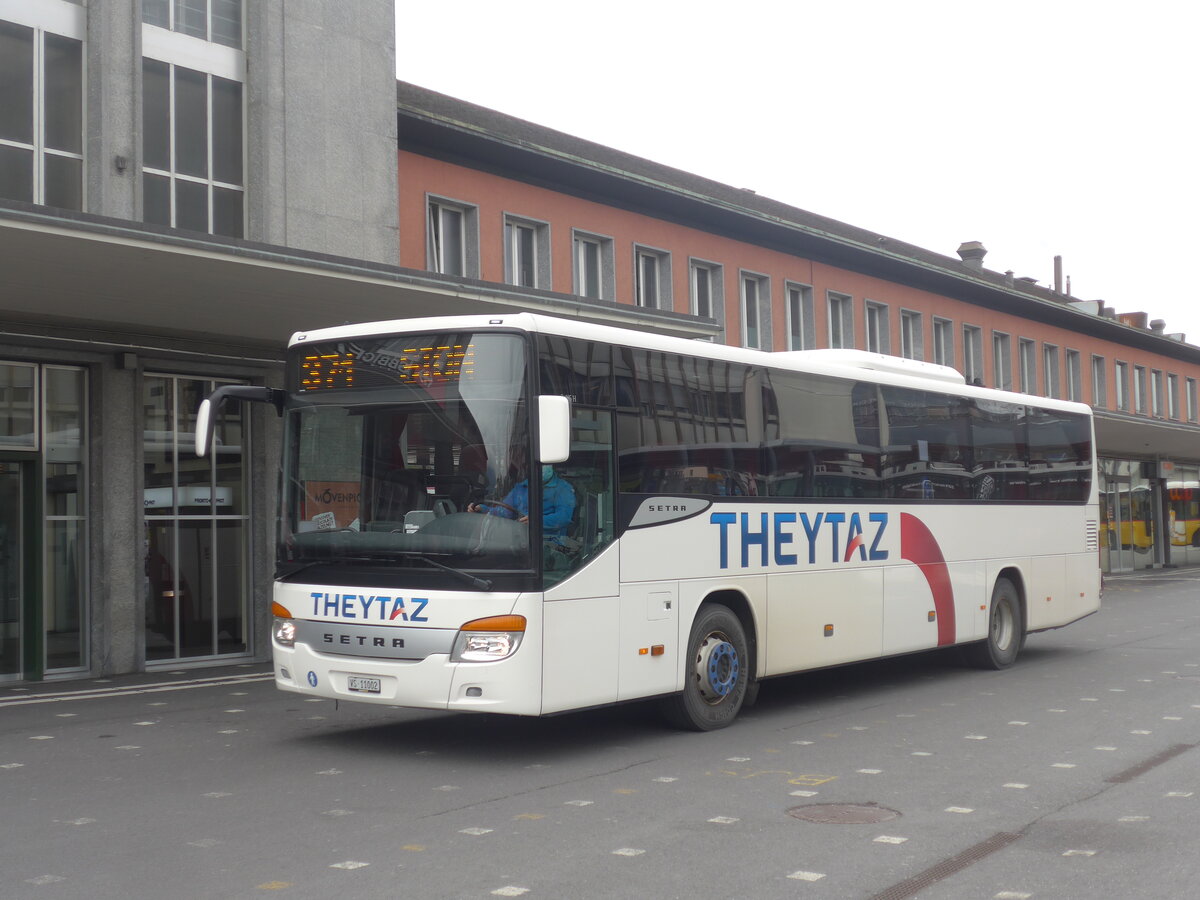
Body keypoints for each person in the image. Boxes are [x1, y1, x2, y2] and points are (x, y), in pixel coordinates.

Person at [469, 464, 576, 539]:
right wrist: (483, 509)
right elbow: (506, 511)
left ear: (552, 466)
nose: (542, 467)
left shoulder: (563, 488)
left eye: (545, 464)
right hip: (520, 539)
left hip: (549, 542)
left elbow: (564, 517)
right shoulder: (521, 487)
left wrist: (536, 521)